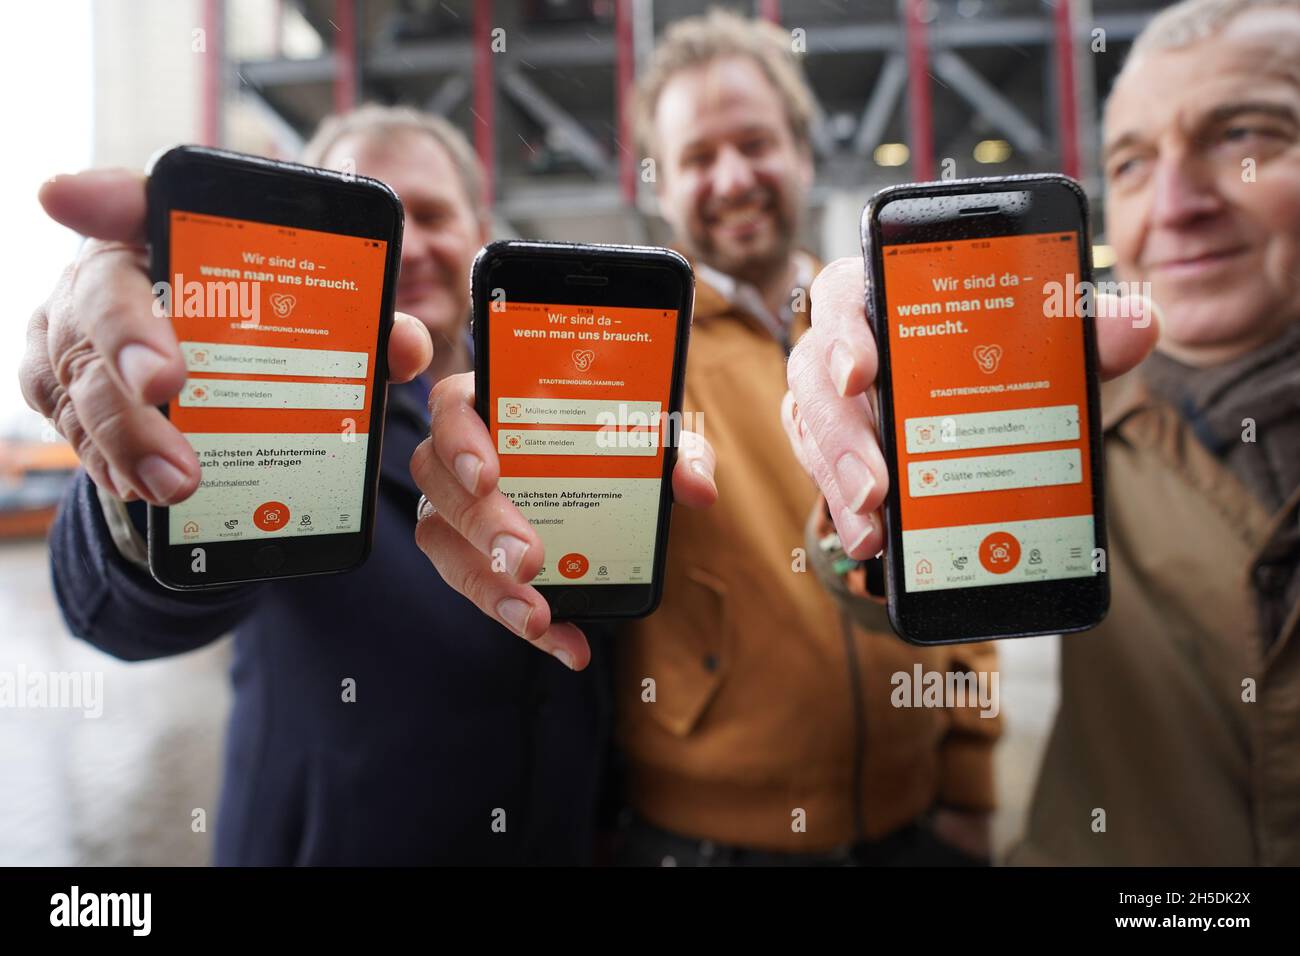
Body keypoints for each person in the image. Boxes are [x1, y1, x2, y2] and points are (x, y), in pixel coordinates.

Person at [23, 104, 717, 864]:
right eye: (377, 221)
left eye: (431, 214)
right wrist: (139, 471)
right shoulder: (279, 416)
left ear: (480, 228)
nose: (409, 247)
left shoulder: (545, 418)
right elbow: (120, 614)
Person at [413, 9, 1002, 866]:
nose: (731, 179)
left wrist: (970, 778)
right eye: (696, 158)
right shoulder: (629, 356)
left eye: (755, 144)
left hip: (915, 825)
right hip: (703, 841)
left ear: (803, 153)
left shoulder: (884, 332)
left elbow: (955, 547)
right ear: (661, 185)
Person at [785, 0, 1300, 865]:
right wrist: (856, 514)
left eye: (1240, 135)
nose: (1175, 203)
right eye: (1131, 162)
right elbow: (857, 588)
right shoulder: (1069, 404)